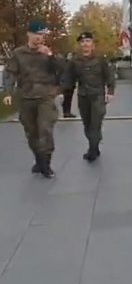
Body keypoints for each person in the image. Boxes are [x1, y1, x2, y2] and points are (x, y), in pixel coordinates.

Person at [1, 21, 65, 178]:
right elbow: (10, 73)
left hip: (46, 96)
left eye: (41, 35)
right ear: (29, 34)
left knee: (45, 129)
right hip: (26, 97)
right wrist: (8, 92)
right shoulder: (19, 54)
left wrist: (50, 55)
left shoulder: (48, 53)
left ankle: (46, 164)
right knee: (31, 132)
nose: (39, 38)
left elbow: (62, 69)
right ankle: (39, 159)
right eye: (36, 34)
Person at [62, 31, 115, 162]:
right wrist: (62, 92)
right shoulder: (74, 61)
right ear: (80, 45)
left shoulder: (101, 60)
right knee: (87, 125)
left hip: (98, 96)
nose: (85, 44)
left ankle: (92, 151)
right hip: (83, 96)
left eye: (88, 41)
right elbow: (68, 78)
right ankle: (95, 146)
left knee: (95, 125)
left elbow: (110, 76)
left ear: (92, 44)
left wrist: (110, 92)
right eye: (83, 42)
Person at [61, 52, 76, 118]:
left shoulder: (64, 62)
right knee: (67, 98)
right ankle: (67, 112)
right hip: (68, 83)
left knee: (67, 98)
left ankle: (66, 112)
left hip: (67, 82)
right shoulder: (71, 63)